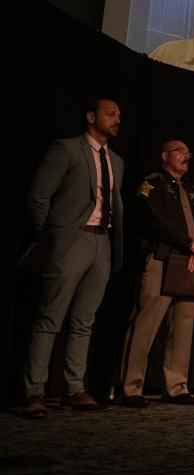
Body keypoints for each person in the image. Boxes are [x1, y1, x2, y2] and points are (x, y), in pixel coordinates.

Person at [22, 98, 124, 418]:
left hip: (101, 243)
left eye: (119, 116)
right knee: (50, 318)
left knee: (84, 321)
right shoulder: (66, 149)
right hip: (71, 239)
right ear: (91, 117)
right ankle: (33, 391)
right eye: (110, 114)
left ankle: (73, 388)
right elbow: (39, 196)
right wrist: (52, 238)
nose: (117, 119)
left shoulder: (116, 161)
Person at [120, 140, 194, 406]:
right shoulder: (153, 184)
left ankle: (176, 386)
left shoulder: (193, 190)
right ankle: (132, 387)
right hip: (162, 259)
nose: (186, 156)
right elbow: (151, 220)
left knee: (183, 326)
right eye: (180, 152)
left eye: (188, 153)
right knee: (146, 323)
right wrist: (187, 243)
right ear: (165, 155)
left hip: (190, 264)